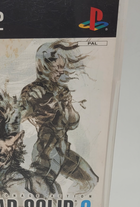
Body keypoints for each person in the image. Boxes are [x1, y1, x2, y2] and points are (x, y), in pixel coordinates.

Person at [20, 40, 99, 194]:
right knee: (45, 192)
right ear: (44, 66)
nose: (61, 71)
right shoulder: (33, 91)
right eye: (57, 67)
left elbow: (73, 123)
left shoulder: (62, 90)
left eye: (62, 67)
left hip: (63, 150)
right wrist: (31, 104)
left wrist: (68, 105)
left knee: (90, 180)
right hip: (46, 152)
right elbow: (18, 117)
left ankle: (74, 204)